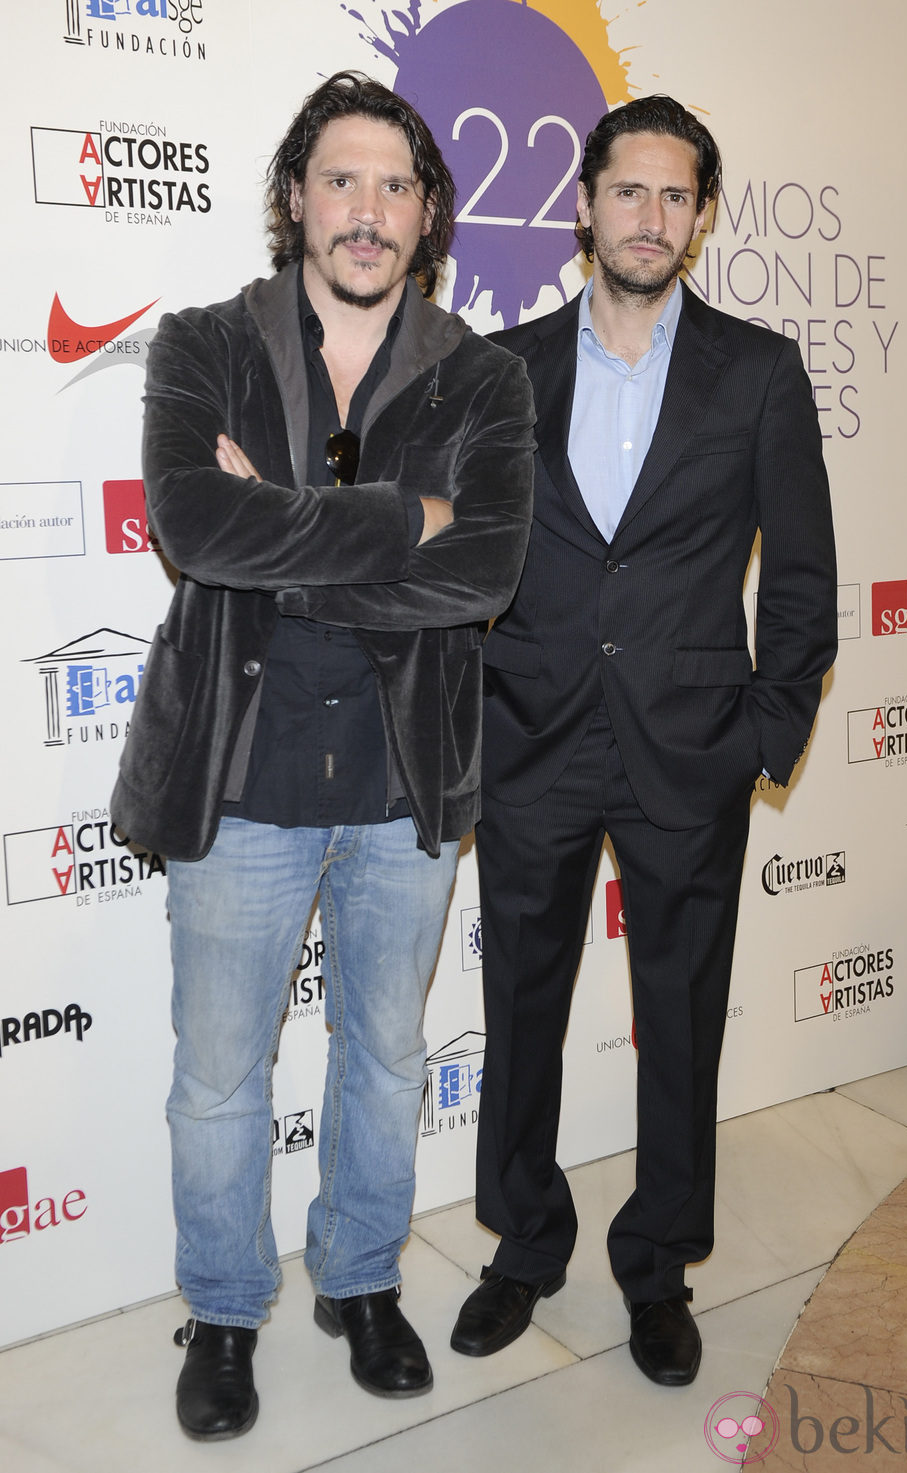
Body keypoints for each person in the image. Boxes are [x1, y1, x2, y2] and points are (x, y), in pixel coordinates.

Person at [111, 71, 534, 1439]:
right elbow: (195, 527)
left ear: (428, 218)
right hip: (239, 774)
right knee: (221, 1068)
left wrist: (284, 529)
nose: (366, 210)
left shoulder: (485, 376)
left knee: (388, 1056)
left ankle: (361, 1279)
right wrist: (399, 519)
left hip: (407, 781)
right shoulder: (201, 345)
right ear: (296, 199)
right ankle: (225, 1308)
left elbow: (486, 570)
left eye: (394, 186)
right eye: (341, 179)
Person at [451, 95, 836, 1387]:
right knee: (521, 1003)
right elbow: (457, 556)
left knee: (680, 1016)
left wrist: (762, 735)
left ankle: (659, 1261)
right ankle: (524, 1245)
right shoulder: (498, 369)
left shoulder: (760, 372)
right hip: (531, 737)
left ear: (702, 216)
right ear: (584, 204)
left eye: (677, 197)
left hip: (691, 750)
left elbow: (803, 579)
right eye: (630, 191)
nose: (651, 217)